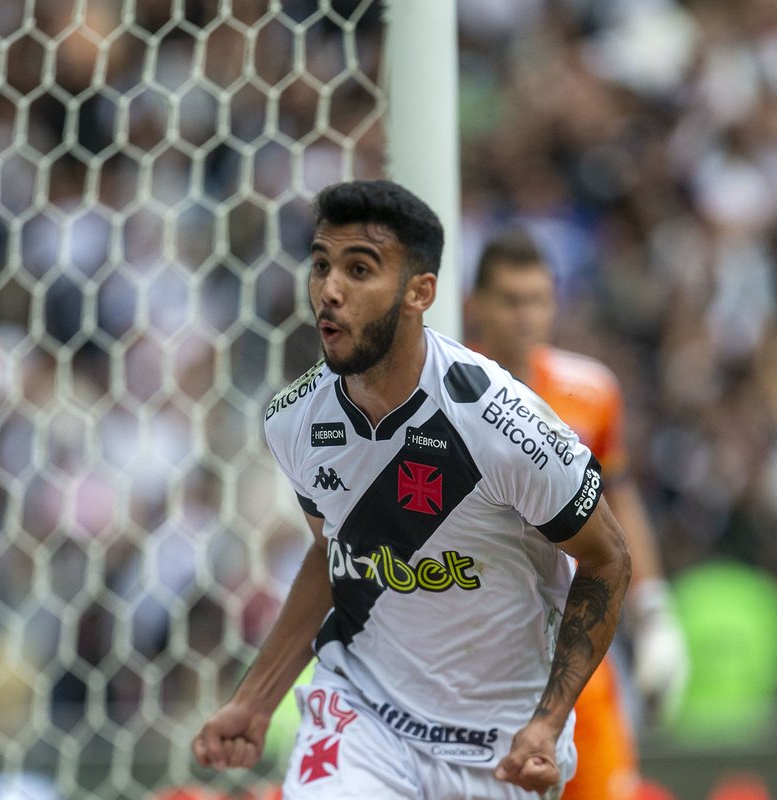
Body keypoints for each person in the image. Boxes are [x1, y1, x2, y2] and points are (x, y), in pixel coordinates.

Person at [192, 180, 632, 800]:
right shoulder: (293, 420)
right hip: (364, 712)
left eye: (359, 269)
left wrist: (549, 721)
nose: (330, 289)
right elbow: (337, 553)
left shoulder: (504, 424)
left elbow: (608, 557)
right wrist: (256, 700)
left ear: (420, 292)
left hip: (498, 744)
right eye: (321, 265)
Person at [465, 227, 689, 800]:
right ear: (475, 304)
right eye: (510, 300)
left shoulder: (591, 390)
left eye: (538, 300)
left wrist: (654, 611)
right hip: (476, 650)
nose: (526, 316)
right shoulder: (441, 396)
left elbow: (619, 500)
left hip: (574, 646)